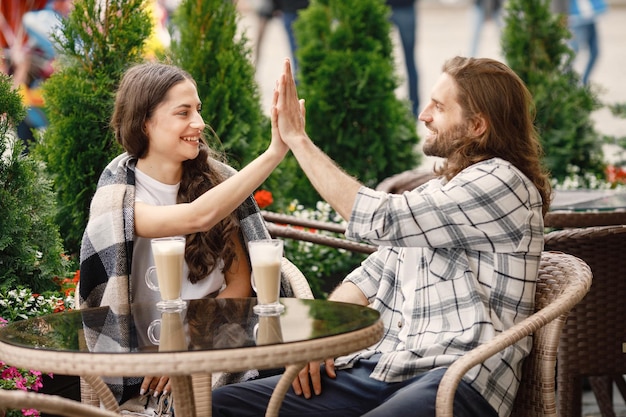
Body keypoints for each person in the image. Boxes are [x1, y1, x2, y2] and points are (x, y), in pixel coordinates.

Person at [212, 56, 551, 417]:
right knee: (220, 405)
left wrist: (298, 140)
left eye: (438, 107)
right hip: (382, 368)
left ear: (476, 125)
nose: (424, 115)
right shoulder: (440, 190)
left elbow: (381, 218)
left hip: (456, 374)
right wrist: (321, 334)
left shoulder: (502, 183)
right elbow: (369, 275)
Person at [79, 62, 289, 405]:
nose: (199, 123)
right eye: (183, 112)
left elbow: (238, 284)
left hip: (216, 342)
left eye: (199, 109)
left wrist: (188, 347)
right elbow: (197, 217)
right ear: (145, 122)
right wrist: (274, 152)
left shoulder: (216, 181)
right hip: (145, 362)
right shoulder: (115, 199)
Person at [387, 0, 419, 118]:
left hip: (404, 6)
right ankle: (413, 110)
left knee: (410, 62)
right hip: (395, 7)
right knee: (381, 61)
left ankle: (414, 110)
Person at [568, 0, 607, 86]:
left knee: (595, 52)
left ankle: (583, 82)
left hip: (591, 16)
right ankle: (568, 82)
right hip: (576, 18)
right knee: (572, 53)